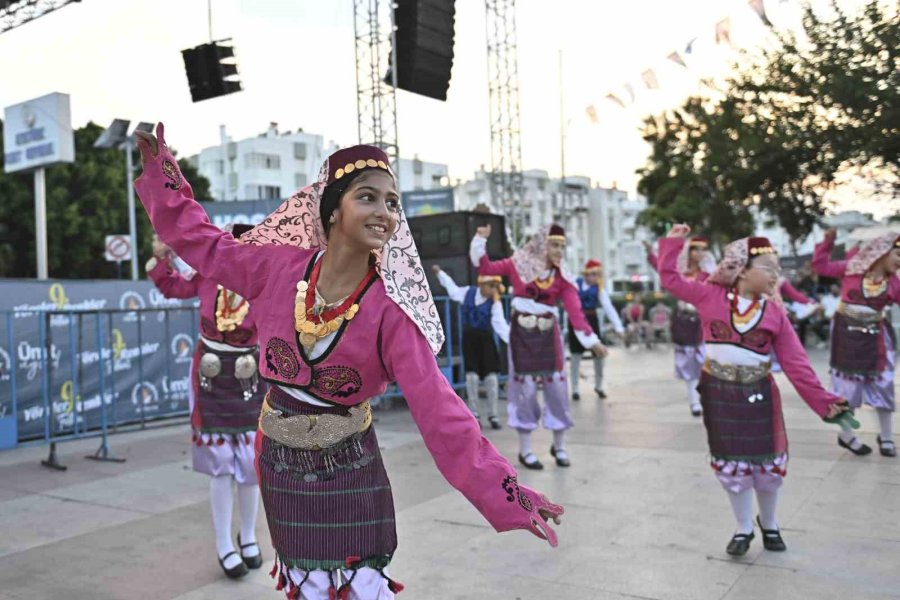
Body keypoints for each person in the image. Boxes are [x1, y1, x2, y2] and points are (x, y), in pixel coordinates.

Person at [134, 124, 563, 599]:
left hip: (351, 469)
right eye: (368, 197)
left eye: (392, 203)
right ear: (333, 209)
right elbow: (203, 243)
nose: (385, 213)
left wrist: (505, 492)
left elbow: (442, 413)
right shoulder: (275, 268)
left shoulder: (392, 311)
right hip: (280, 465)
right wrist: (161, 174)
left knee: (359, 588)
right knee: (307, 585)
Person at [658, 224, 854, 556]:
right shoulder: (709, 295)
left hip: (760, 394)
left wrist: (824, 402)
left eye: (777, 270)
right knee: (731, 461)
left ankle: (771, 523)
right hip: (719, 394)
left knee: (766, 462)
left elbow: (796, 363)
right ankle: (743, 527)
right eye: (768, 269)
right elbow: (670, 280)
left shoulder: (775, 311)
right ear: (741, 271)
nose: (776, 275)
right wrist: (675, 243)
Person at [147, 231, 265, 579]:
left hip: (250, 377)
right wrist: (161, 256)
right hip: (210, 376)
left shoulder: (264, 282)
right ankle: (223, 544)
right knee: (221, 465)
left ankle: (248, 537)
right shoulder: (206, 275)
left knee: (249, 462)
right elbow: (171, 287)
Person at [470, 223, 607, 470]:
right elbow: (486, 267)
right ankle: (525, 450)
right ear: (542, 244)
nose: (559, 251)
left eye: (562, 247)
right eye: (555, 245)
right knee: (525, 392)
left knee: (556, 391)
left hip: (548, 337)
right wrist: (480, 240)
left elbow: (576, 313)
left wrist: (592, 340)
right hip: (521, 335)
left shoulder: (563, 277)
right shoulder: (518, 264)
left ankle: (560, 445)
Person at [813, 228, 900, 458]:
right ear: (882, 252)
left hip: (877, 338)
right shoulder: (851, 268)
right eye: (898, 255)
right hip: (846, 335)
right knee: (846, 386)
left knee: (883, 383)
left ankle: (887, 436)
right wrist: (828, 241)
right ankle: (847, 435)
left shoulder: (894, 283)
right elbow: (821, 266)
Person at [432, 265, 509, 428]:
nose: (495, 290)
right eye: (492, 286)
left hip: (486, 340)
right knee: (471, 377)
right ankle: (474, 412)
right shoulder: (468, 292)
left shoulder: (495, 303)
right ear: (482, 284)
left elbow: (500, 324)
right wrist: (441, 273)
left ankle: (493, 414)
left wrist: (513, 341)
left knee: (491, 378)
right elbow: (452, 290)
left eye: (496, 286)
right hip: (470, 339)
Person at [646, 237, 715, 416]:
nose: (699, 253)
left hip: (704, 322)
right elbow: (663, 271)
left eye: (702, 250)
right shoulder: (681, 273)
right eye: (695, 249)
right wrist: (651, 254)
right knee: (689, 363)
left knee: (706, 362)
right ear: (689, 252)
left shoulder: (709, 274)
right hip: (684, 322)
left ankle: (707, 398)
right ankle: (694, 402)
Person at [568, 259, 624, 400]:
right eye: (592, 274)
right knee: (575, 355)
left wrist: (618, 327)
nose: (594, 277)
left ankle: (599, 385)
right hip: (575, 321)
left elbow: (608, 307)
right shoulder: (575, 283)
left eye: (597, 275)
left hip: (591, 322)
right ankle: (575, 388)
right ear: (586, 274)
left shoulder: (599, 289)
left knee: (599, 355)